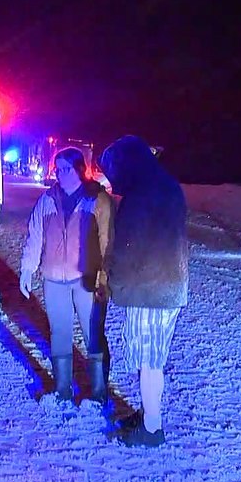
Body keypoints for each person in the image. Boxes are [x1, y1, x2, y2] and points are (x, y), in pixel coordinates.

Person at [98, 135, 189, 447]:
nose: (114, 182)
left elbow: (128, 248)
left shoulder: (143, 194)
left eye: (114, 173)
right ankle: (148, 412)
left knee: (149, 362)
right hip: (168, 288)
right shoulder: (166, 185)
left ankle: (152, 427)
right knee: (153, 359)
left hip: (151, 291)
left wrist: (113, 282)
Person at [19, 147, 114, 403]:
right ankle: (62, 388)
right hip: (53, 279)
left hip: (86, 279)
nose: (60, 174)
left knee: (92, 332)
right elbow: (35, 234)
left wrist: (105, 279)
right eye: (57, 169)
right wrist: (27, 268)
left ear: (79, 170)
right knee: (59, 332)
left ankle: (98, 391)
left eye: (66, 169)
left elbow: (107, 242)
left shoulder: (95, 199)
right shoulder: (48, 200)